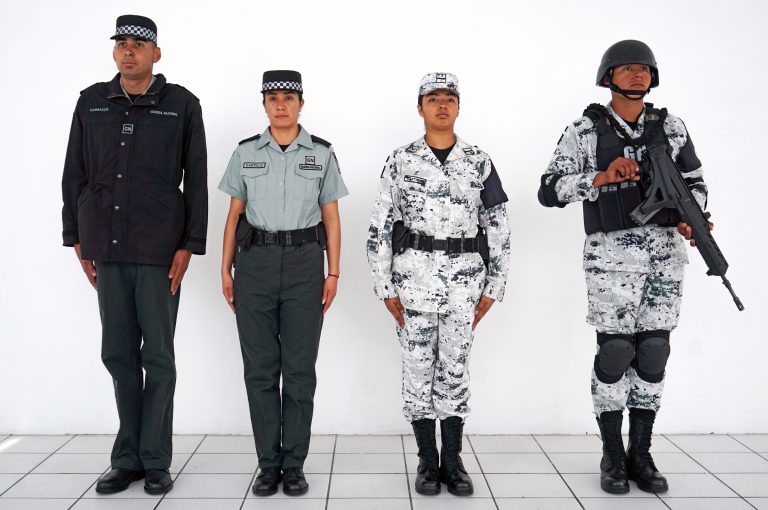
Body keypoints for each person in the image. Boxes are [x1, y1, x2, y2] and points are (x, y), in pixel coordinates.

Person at [538, 40, 710, 494]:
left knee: (654, 352)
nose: (637, 75)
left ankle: (642, 453)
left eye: (644, 69)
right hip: (611, 261)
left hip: (665, 257)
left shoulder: (671, 127)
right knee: (616, 353)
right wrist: (599, 176)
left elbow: (695, 182)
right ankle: (612, 455)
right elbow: (549, 189)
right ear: (608, 76)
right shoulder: (584, 131)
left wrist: (696, 218)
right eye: (627, 68)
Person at [61, 14, 208, 495]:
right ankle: (126, 459)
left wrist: (190, 244)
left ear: (156, 54)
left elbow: (197, 181)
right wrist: (75, 236)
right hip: (105, 245)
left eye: (138, 46)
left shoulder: (182, 105)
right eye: (121, 44)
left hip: (160, 249)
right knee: (119, 354)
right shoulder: (91, 103)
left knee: (158, 358)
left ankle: (156, 459)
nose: (129, 52)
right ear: (114, 52)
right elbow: (74, 173)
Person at [367, 72, 511, 497]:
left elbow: (498, 225)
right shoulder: (401, 160)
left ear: (458, 107)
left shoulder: (478, 161)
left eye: (449, 98)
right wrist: (384, 286)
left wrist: (494, 285)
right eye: (433, 99)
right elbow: (379, 225)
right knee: (416, 373)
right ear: (420, 108)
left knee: (454, 371)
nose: (442, 105)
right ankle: (427, 463)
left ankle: (453, 461)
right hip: (412, 283)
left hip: (465, 285)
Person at [218, 70, 348, 497]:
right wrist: (225, 269)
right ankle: (267, 465)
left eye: (288, 97)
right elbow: (235, 213)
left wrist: (333, 272)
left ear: (301, 103)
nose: (280, 104)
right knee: (259, 370)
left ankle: (294, 464)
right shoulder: (245, 153)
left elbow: (331, 216)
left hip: (304, 265)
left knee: (298, 371)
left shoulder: (322, 154)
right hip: (253, 263)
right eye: (273, 97)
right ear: (263, 104)